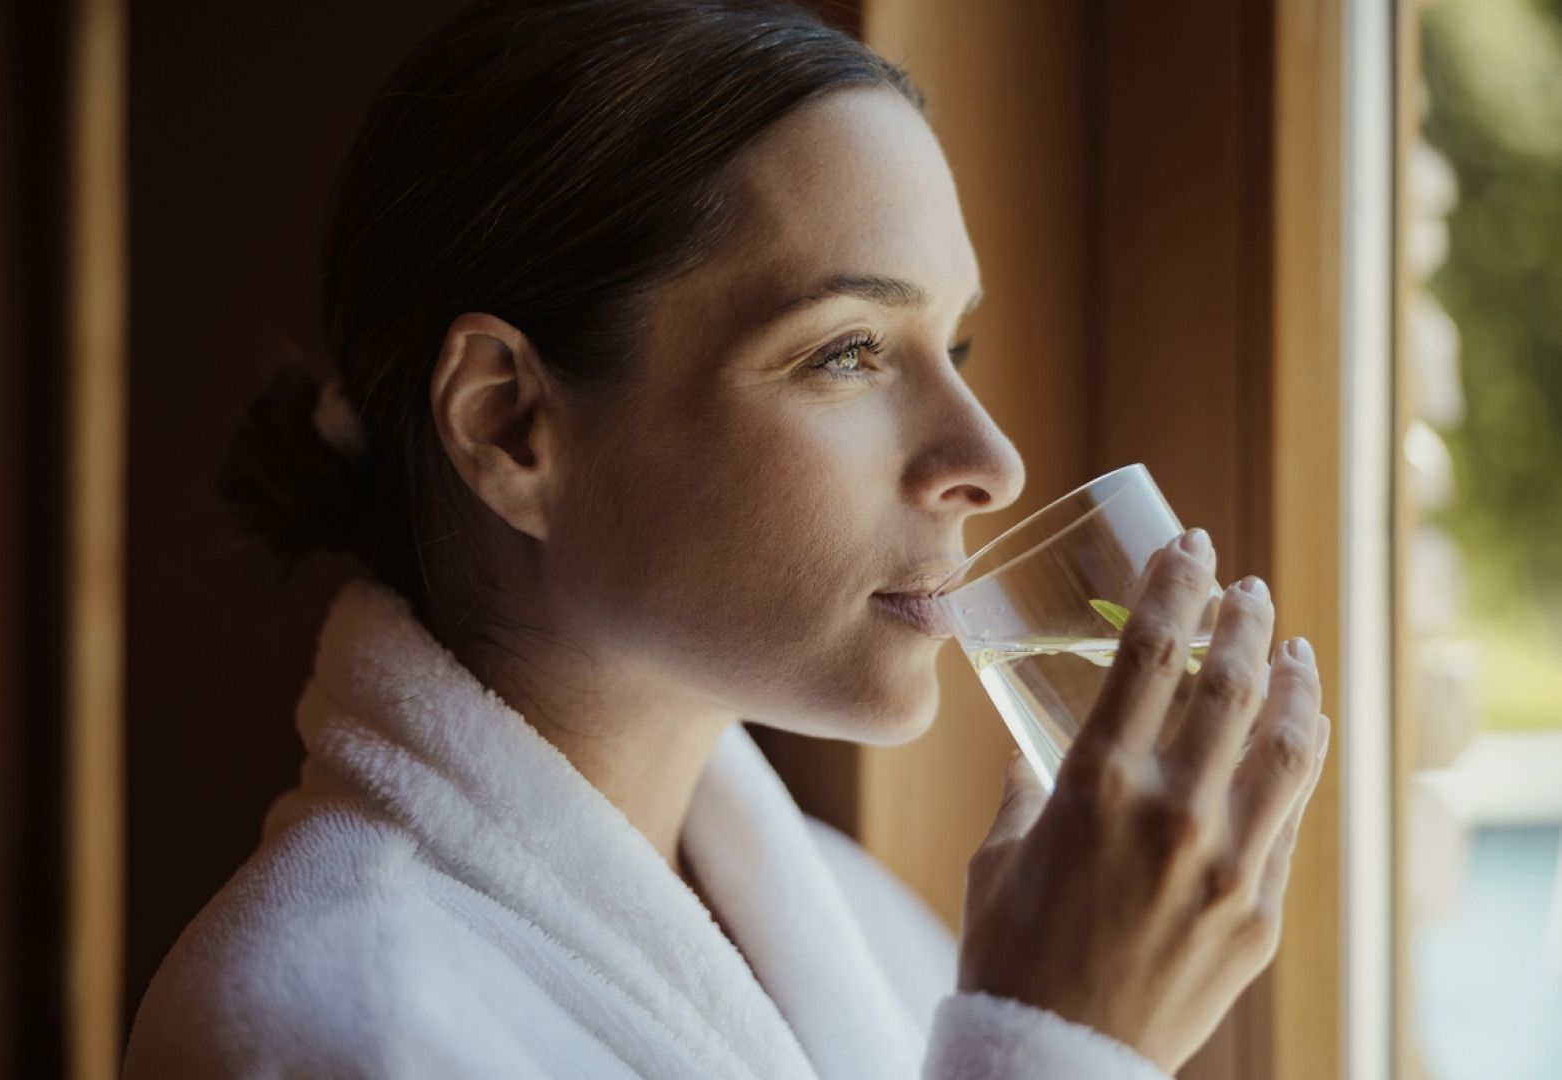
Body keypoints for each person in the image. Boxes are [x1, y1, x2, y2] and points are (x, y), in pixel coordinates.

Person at [121, 1, 1331, 1076]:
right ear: (506, 422)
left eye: (952, 347)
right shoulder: (326, 1025)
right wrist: (1061, 1046)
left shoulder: (863, 932)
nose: (991, 460)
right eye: (848, 352)